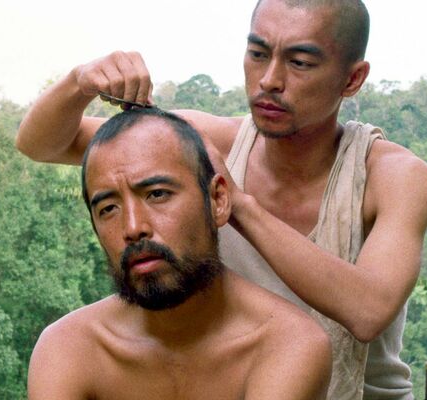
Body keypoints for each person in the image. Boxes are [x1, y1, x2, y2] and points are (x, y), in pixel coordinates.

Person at [17, 0, 427, 398]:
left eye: (300, 62)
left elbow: (368, 310)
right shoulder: (209, 142)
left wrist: (236, 203)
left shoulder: (395, 177)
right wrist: (79, 83)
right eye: (257, 54)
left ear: (352, 79)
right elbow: (42, 144)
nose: (270, 79)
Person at [27, 108, 332, 400]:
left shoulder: (287, 344)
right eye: (108, 209)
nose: (133, 228)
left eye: (157, 194)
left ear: (218, 200)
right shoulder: (68, 350)